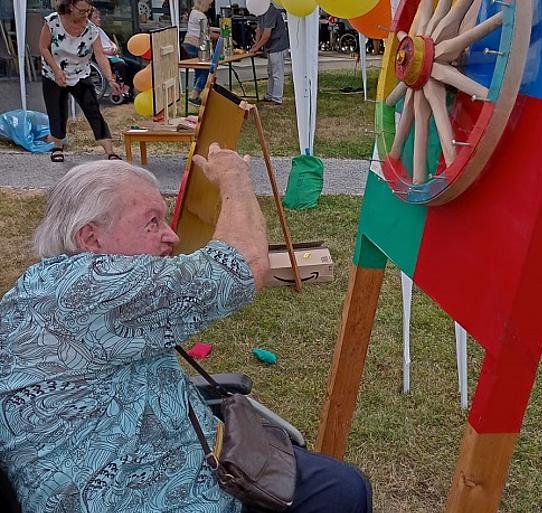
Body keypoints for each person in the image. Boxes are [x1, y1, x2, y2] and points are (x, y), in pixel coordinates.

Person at [0, 145, 372, 513]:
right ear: (91, 238)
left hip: (164, 460)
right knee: (343, 491)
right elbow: (242, 265)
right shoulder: (92, 289)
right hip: (149, 493)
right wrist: (232, 176)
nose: (172, 236)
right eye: (152, 222)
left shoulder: (47, 284)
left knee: (339, 486)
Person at [39, 0, 122, 162]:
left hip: (80, 73)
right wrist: (56, 70)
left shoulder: (92, 30)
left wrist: (110, 78)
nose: (85, 14)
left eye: (88, 11)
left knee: (93, 110)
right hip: (54, 73)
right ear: (70, 6)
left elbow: (100, 55)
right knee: (58, 111)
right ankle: (57, 147)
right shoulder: (53, 21)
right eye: (81, 10)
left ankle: (110, 151)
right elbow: (43, 47)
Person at [90, 8, 141, 100]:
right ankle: (122, 88)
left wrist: (114, 47)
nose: (99, 19)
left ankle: (128, 87)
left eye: (99, 17)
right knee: (120, 64)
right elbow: (95, 50)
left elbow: (110, 41)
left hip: (112, 54)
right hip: (104, 56)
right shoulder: (90, 32)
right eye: (96, 17)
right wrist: (107, 51)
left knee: (135, 65)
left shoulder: (99, 30)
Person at [249, 3, 289, 105]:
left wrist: (257, 47)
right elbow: (259, 29)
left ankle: (277, 98)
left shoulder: (270, 10)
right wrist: (256, 44)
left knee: (277, 73)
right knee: (270, 72)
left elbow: (267, 34)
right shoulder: (260, 10)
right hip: (271, 46)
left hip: (278, 45)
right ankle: (269, 95)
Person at [183, 0, 215, 106]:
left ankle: (194, 95)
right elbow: (205, 35)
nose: (210, 6)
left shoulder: (193, 12)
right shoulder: (202, 16)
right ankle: (195, 95)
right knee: (205, 70)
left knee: (198, 70)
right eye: (209, 4)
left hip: (188, 43)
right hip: (197, 45)